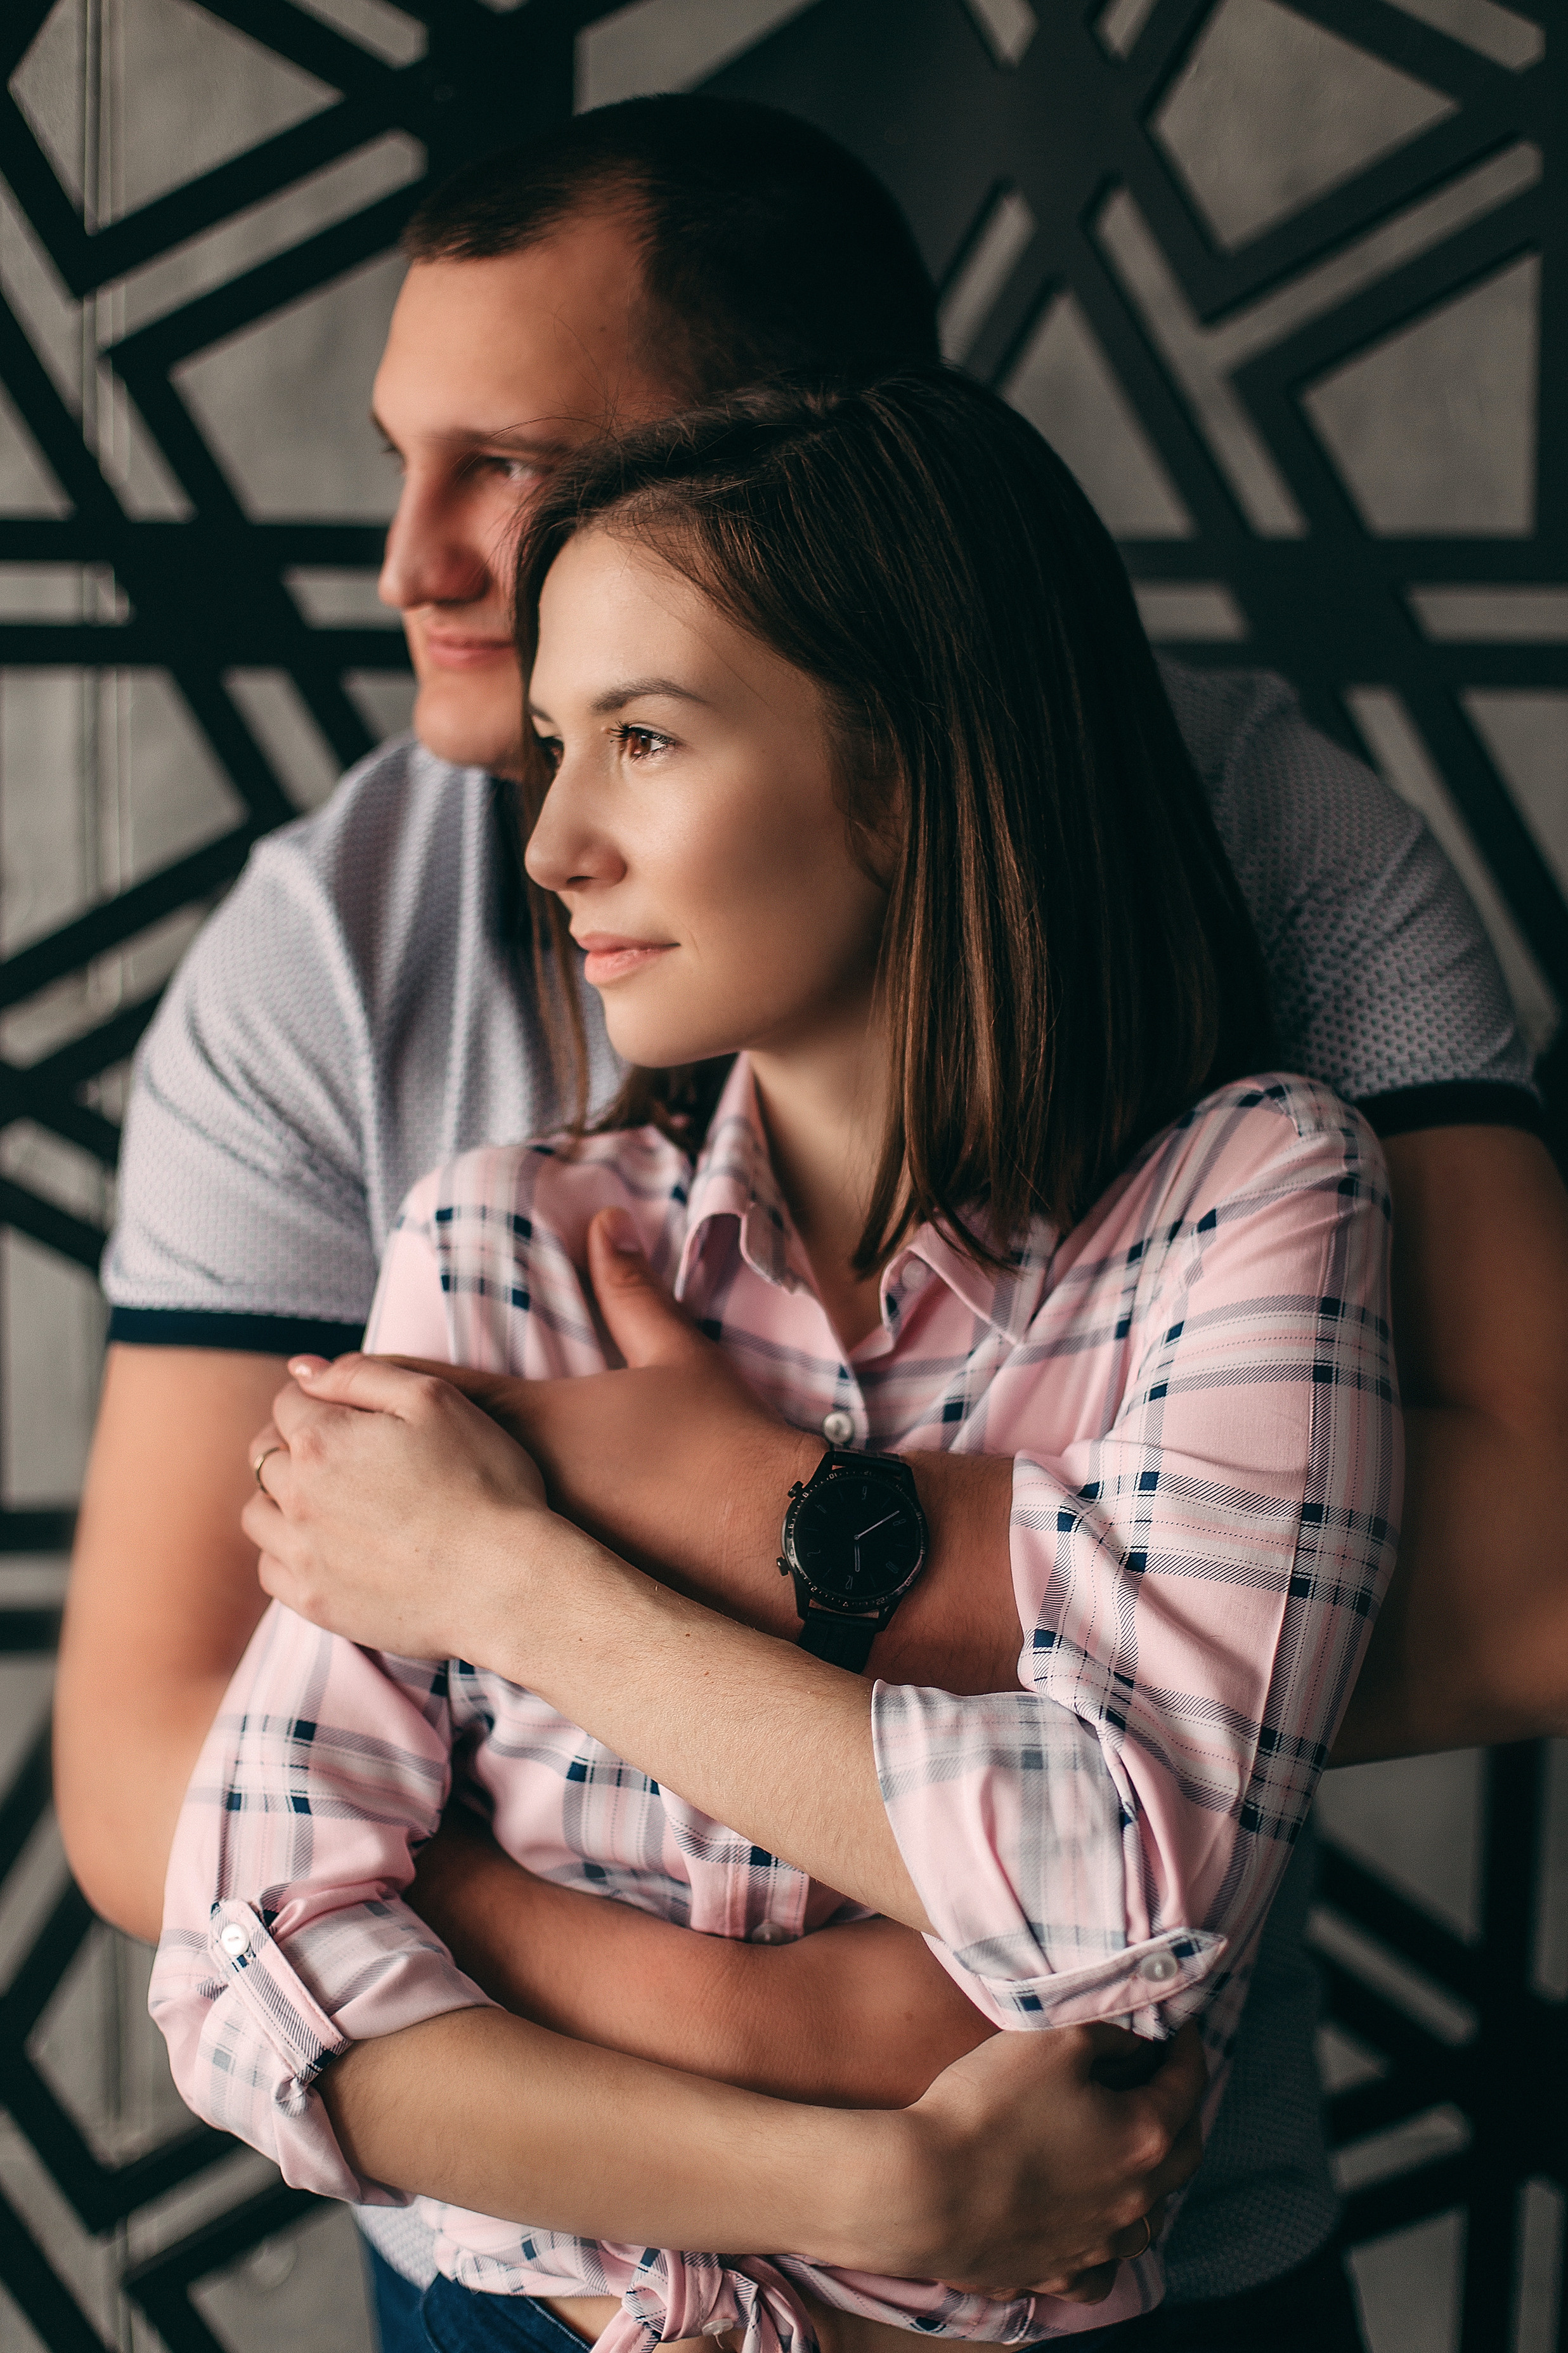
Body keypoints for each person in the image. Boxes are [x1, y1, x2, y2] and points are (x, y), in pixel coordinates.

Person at [55, 91, 1565, 2352]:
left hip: (1139, 2261)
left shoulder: (1271, 950)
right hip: (555, 2268)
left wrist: (679, 1513)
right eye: (401, 458)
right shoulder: (364, 1021)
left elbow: (1527, 1587)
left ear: (840, 473)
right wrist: (816, 2077)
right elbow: (183, 1833)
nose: (414, 564)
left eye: (515, 467)